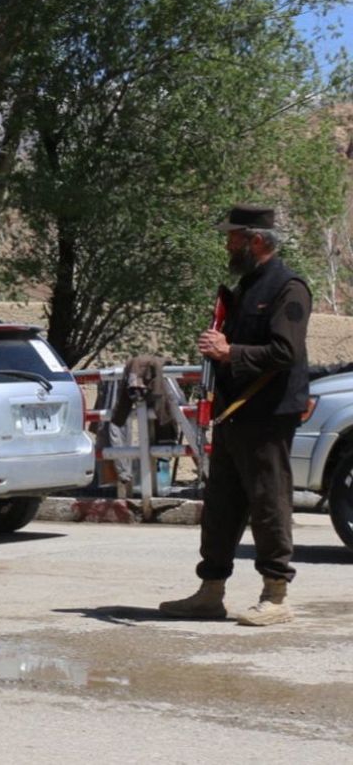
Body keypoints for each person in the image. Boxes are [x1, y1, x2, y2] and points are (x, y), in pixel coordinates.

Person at [160, 205, 310, 627]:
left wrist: (230, 352)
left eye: (233, 237)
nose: (227, 244)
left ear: (256, 240)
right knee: (221, 507)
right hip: (232, 414)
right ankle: (210, 593)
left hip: (267, 414)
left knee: (269, 504)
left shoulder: (289, 288)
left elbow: (286, 352)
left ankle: (276, 595)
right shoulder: (244, 287)